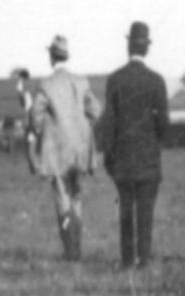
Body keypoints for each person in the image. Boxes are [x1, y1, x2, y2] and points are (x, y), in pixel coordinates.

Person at [96, 21, 170, 268]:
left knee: (126, 211)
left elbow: (109, 122)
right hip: (148, 159)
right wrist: (154, 141)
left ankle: (127, 260)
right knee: (145, 212)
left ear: (128, 46)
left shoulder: (115, 80)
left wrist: (108, 155)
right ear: (146, 48)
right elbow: (164, 126)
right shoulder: (156, 81)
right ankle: (144, 259)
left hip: (123, 159)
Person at [27, 35, 101, 261]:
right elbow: (96, 111)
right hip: (80, 150)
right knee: (77, 197)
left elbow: (35, 117)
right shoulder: (82, 82)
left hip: (57, 151)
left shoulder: (46, 84)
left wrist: (39, 131)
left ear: (51, 57)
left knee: (62, 198)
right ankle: (76, 249)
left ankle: (71, 252)